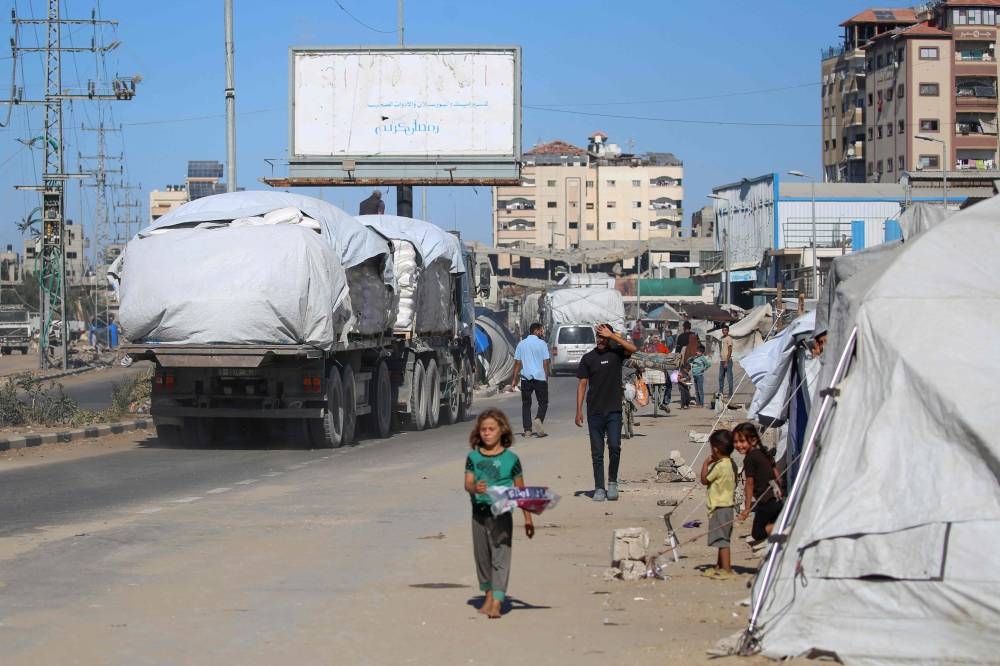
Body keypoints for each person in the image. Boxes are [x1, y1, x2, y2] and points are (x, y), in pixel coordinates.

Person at [464, 408, 534, 618]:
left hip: (502, 515)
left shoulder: (511, 460)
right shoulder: (473, 458)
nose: (486, 433)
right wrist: (476, 488)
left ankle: (497, 600)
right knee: (482, 557)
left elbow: (521, 491)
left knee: (500, 557)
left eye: (491, 429)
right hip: (479, 514)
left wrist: (528, 519)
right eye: (483, 429)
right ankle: (487, 594)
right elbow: (467, 484)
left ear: (501, 431)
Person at [575, 324, 637, 502]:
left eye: (604, 337)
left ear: (609, 338)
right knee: (597, 452)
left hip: (614, 411)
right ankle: (599, 487)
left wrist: (614, 336)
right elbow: (582, 385)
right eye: (599, 336)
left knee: (615, 447)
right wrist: (578, 410)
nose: (600, 340)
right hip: (594, 411)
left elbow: (632, 348)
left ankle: (612, 482)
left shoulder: (617, 353)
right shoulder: (588, 358)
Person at [734, 422, 783, 553]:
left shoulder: (750, 457)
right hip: (776, 497)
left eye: (742, 441)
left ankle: (784, 527)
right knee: (769, 528)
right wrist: (780, 489)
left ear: (753, 440)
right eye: (736, 442)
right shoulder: (763, 452)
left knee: (758, 533)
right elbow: (777, 474)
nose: (738, 445)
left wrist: (747, 508)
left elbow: (749, 483)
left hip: (766, 500)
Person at [700, 429, 736, 580]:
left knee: (722, 541)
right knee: (721, 538)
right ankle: (719, 566)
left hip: (719, 507)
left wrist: (706, 463)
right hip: (728, 506)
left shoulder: (720, 465)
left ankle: (726, 570)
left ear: (716, 449)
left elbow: (705, 480)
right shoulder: (731, 463)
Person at [507, 322, 550, 437]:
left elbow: (517, 363)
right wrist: (546, 376)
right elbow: (545, 362)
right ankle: (539, 419)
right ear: (536, 331)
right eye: (541, 330)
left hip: (525, 378)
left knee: (526, 404)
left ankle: (527, 430)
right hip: (539, 377)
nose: (542, 332)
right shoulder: (542, 344)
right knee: (543, 403)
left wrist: (514, 380)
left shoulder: (521, 344)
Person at [718, 325, 734, 398]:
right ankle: (721, 393)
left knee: (729, 378)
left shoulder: (729, 338)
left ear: (728, 331)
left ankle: (730, 394)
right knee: (721, 377)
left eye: (725, 330)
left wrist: (727, 362)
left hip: (727, 361)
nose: (724, 331)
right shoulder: (722, 338)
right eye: (723, 330)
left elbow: (730, 350)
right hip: (722, 360)